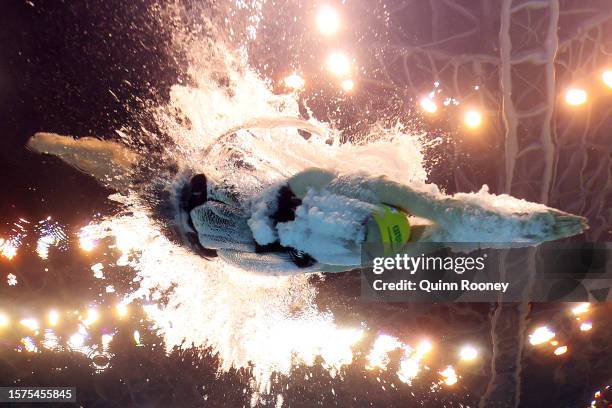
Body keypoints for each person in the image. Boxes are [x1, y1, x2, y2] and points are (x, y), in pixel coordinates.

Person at [27, 131, 589, 275]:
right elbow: (445, 217)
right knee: (131, 175)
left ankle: (66, 151)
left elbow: (443, 222)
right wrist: (521, 225)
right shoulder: (340, 198)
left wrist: (521, 227)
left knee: (131, 176)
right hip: (199, 219)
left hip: (200, 224)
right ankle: (64, 150)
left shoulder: (347, 228)